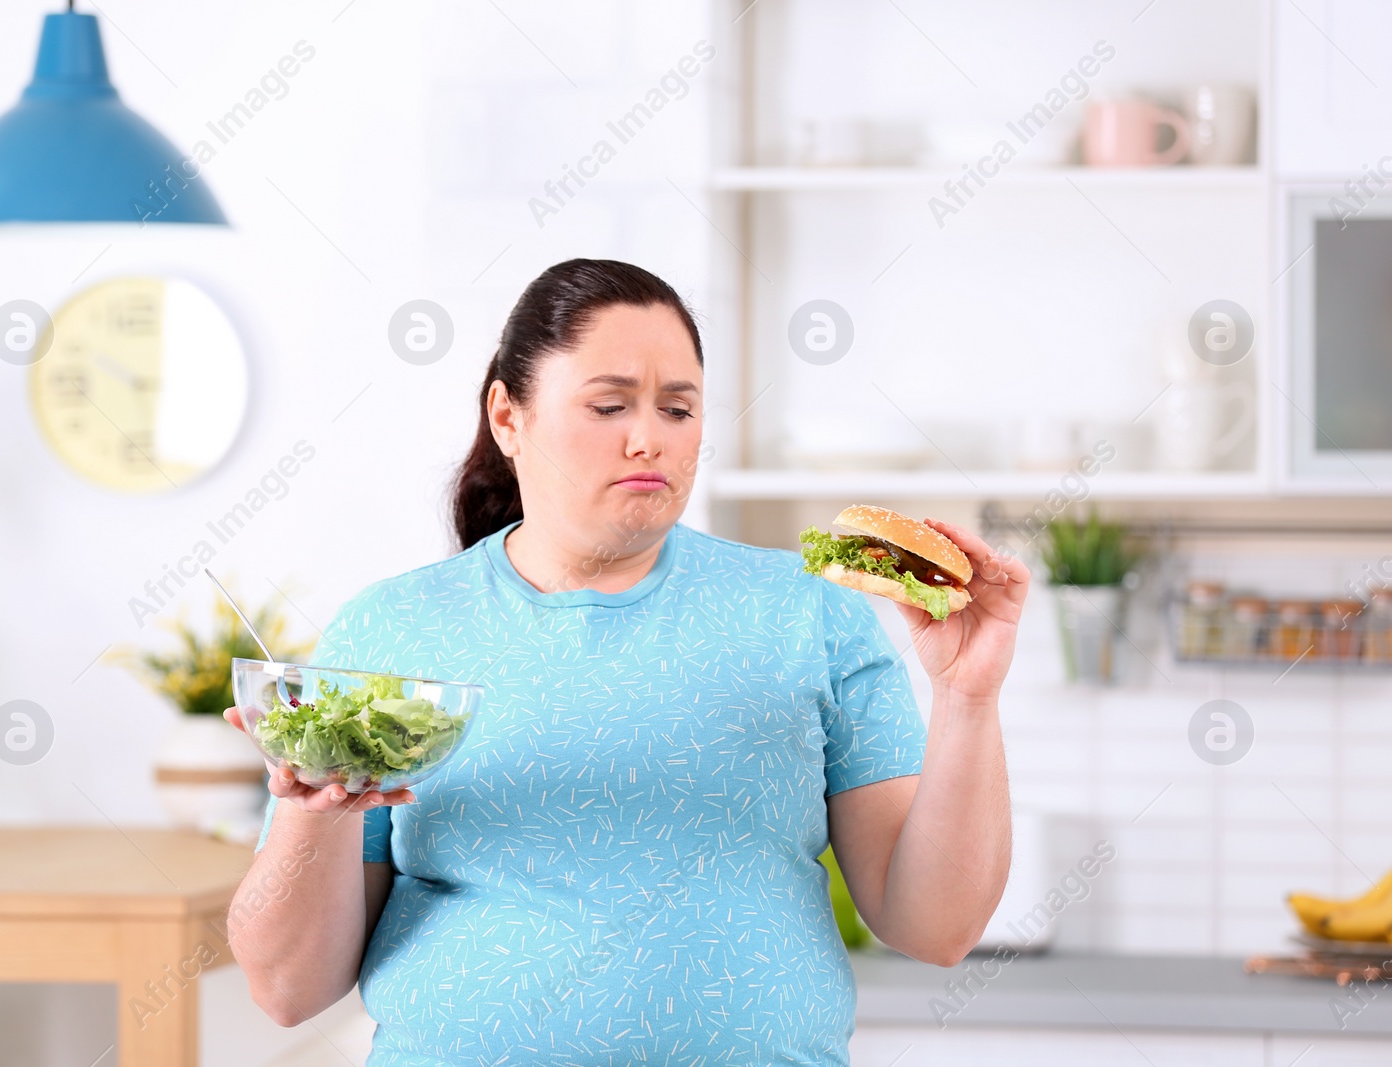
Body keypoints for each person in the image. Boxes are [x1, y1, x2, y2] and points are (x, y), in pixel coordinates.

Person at [224, 258, 1026, 1065]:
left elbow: (936, 928)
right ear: (509, 415)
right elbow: (286, 990)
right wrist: (309, 809)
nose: (650, 437)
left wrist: (967, 697)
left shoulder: (808, 612)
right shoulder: (391, 632)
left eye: (679, 408)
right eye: (608, 405)